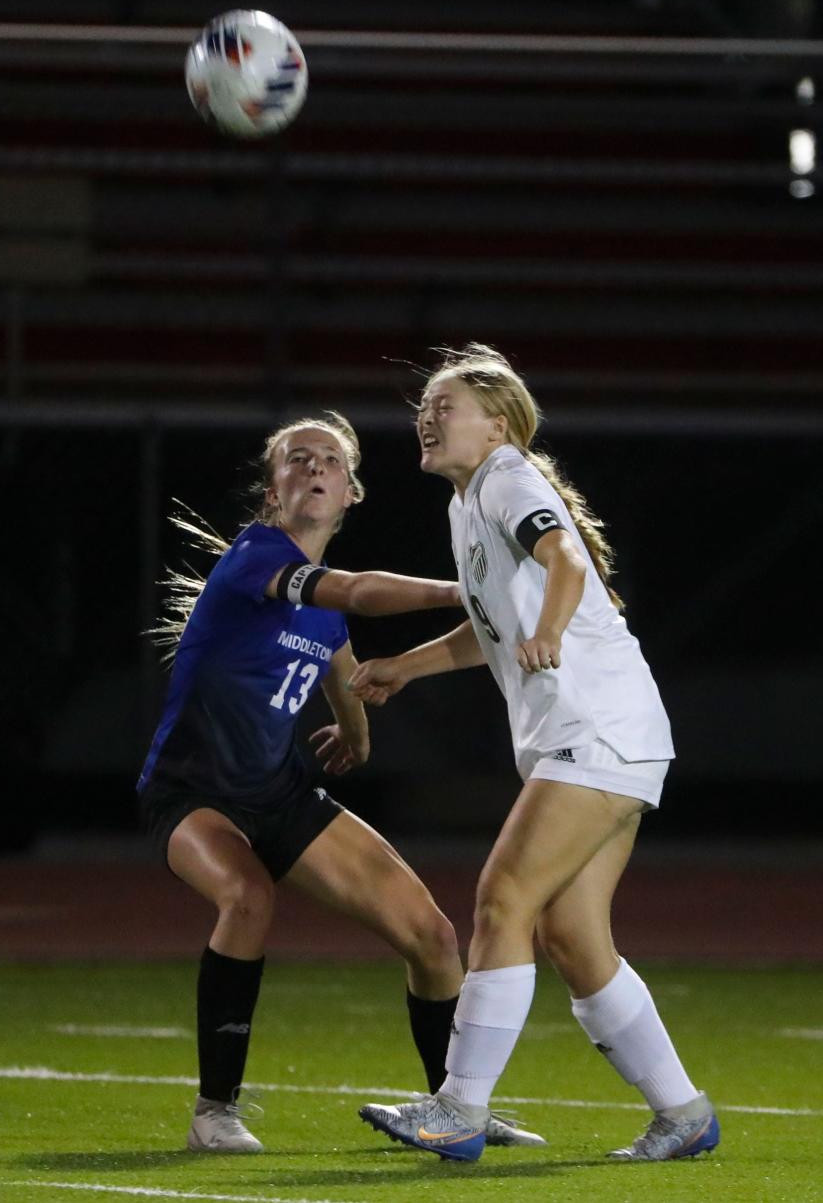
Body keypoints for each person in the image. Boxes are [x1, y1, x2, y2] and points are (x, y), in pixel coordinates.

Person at [137, 411, 544, 1154]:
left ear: (351, 491)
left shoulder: (322, 615)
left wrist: (355, 736)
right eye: (297, 459)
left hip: (278, 794)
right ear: (273, 490)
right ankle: (213, 1110)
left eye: (329, 459)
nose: (314, 467)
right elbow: (353, 593)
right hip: (191, 792)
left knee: (431, 935)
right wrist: (470, 593)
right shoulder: (256, 557)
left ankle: (455, 1108)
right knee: (247, 895)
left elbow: (342, 671)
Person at [352, 346, 719, 1163]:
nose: (427, 414)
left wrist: (550, 628)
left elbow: (560, 565)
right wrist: (405, 667)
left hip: (594, 728)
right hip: (611, 734)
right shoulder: (471, 502)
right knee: (573, 935)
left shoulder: (509, 477)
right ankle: (685, 1114)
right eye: (425, 404)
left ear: (498, 423)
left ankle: (458, 1108)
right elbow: (489, 630)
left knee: (503, 897)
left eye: (444, 404)